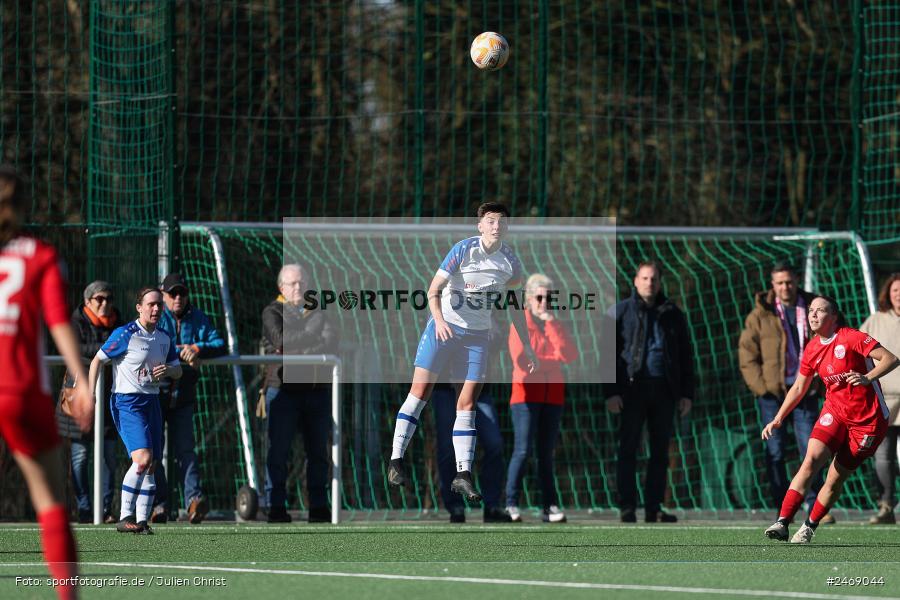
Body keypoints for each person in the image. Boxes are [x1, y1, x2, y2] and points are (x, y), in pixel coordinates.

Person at [387, 202, 538, 504]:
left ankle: (463, 475)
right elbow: (432, 291)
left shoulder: (511, 262)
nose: (497, 226)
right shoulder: (463, 250)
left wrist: (528, 345)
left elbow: (514, 307)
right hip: (443, 330)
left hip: (476, 338)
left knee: (467, 402)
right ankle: (395, 460)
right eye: (491, 221)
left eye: (502, 222)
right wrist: (440, 321)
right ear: (480, 226)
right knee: (420, 393)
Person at [0, 163, 94, 600]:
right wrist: (81, 382)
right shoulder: (39, 256)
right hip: (19, 390)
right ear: (22, 208)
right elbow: (58, 321)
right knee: (52, 499)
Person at [763, 295, 899, 543]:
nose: (813, 314)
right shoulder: (813, 348)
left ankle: (809, 527)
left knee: (835, 477)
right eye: (811, 310)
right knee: (810, 460)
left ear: (833, 316)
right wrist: (778, 418)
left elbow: (891, 359)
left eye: (820, 310)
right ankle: (782, 522)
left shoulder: (851, 337)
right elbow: (798, 388)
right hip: (835, 412)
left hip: (868, 422)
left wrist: (867, 377)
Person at [738, 263, 830, 522]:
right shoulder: (760, 314)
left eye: (788, 282)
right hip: (772, 394)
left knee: (811, 451)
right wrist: (761, 387)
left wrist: (820, 383)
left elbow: (830, 344)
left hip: (806, 392)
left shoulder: (814, 308)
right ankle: (783, 511)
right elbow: (747, 354)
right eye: (779, 283)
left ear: (796, 280)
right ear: (772, 284)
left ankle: (815, 507)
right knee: (775, 452)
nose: (784, 287)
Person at [604, 261, 693, 523]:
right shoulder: (619, 313)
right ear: (635, 280)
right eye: (644, 278)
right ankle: (627, 507)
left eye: (653, 279)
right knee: (628, 448)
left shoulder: (673, 313)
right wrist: (611, 392)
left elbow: (686, 357)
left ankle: (654, 507)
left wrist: (687, 393)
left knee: (660, 451)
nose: (649, 283)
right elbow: (607, 356)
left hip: (664, 390)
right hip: (631, 389)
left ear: (660, 282)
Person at [89, 288, 182, 534]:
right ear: (139, 307)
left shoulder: (163, 337)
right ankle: (124, 516)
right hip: (127, 402)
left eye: (159, 305)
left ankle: (141, 521)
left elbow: (178, 370)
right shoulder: (125, 334)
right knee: (142, 459)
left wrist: (169, 371)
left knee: (151, 464)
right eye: (151, 304)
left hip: (152, 402)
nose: (156, 309)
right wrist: (89, 393)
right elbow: (97, 360)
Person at [261, 263, 338, 523]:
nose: (299, 287)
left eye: (302, 282)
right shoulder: (272, 311)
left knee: (318, 453)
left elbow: (329, 342)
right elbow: (280, 340)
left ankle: (318, 506)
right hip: (281, 390)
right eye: (293, 283)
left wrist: (297, 349)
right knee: (278, 452)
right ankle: (275, 506)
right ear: (281, 287)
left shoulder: (319, 312)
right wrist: (308, 341)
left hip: (316, 392)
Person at [150, 273, 227, 525]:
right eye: (173, 293)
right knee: (152, 451)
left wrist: (196, 349)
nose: (178, 298)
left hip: (184, 395)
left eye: (182, 293)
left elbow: (219, 343)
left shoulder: (197, 316)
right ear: (163, 295)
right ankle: (158, 504)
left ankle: (194, 501)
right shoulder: (156, 316)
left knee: (186, 451)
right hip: (156, 394)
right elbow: (146, 344)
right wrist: (179, 353)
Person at [505, 273, 579, 523]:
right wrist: (551, 361)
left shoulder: (554, 324)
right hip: (525, 397)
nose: (544, 302)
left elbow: (569, 355)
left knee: (546, 453)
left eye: (549, 297)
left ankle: (549, 507)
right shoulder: (519, 324)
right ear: (528, 298)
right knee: (522, 450)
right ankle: (511, 504)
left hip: (553, 397)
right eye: (539, 297)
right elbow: (524, 362)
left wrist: (553, 325)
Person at [55, 280, 122, 524]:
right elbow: (76, 348)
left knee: (109, 458)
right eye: (99, 299)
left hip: (108, 401)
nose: (105, 304)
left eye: (109, 299)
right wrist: (107, 350)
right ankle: (85, 508)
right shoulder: (75, 323)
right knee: (80, 457)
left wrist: (102, 352)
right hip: (79, 399)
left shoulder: (119, 322)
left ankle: (104, 510)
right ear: (87, 302)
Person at [860, 273, 900, 524]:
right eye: (896, 290)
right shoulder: (875, 321)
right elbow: (858, 350)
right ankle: (886, 505)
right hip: (884, 399)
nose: (899, 294)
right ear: (889, 293)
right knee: (882, 455)